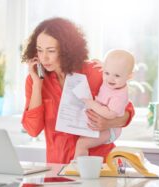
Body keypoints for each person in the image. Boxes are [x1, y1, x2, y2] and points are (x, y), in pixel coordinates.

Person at [21, 17, 135, 164]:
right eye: (39, 50)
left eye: (51, 51)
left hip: (99, 164)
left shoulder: (95, 72)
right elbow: (32, 130)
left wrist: (109, 123)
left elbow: (127, 110)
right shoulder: (35, 80)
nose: (44, 57)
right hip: (59, 167)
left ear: (67, 49)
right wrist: (37, 85)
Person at [74, 49, 135, 158]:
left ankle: (78, 167)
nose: (110, 78)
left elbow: (110, 114)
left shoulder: (119, 95)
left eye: (117, 75)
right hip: (104, 125)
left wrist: (90, 103)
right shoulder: (113, 81)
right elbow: (112, 71)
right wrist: (103, 66)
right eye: (106, 73)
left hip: (110, 131)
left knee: (81, 144)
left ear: (129, 76)